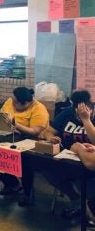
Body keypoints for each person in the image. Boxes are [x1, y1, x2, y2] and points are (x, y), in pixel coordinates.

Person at [0, 86, 49, 206]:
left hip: (32, 143)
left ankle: (28, 192)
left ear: (26, 103)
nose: (13, 103)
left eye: (16, 102)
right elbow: (2, 116)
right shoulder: (11, 101)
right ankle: (12, 183)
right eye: (13, 100)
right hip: (11, 137)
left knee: (25, 161)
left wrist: (16, 125)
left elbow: (35, 131)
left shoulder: (39, 109)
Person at [42, 90, 95, 220]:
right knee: (48, 171)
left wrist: (86, 120)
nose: (78, 116)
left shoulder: (88, 116)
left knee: (83, 181)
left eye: (82, 112)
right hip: (67, 158)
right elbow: (48, 131)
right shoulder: (68, 112)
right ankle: (77, 200)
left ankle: (89, 210)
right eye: (77, 113)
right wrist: (51, 138)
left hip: (88, 163)